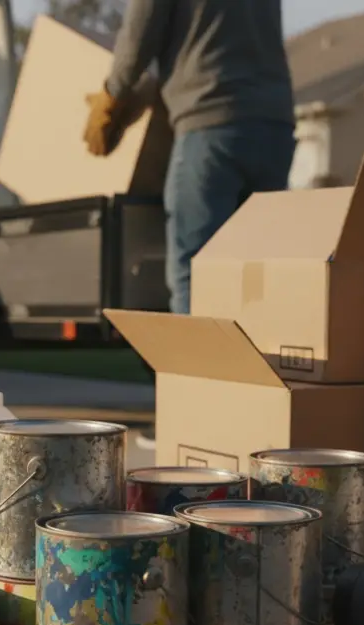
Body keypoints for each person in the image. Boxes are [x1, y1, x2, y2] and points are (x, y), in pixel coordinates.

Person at [83, 0, 296, 450]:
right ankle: (259, 421)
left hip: (210, 122)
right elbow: (214, 38)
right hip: (274, 125)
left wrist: (112, 94)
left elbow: (140, 32)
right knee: (255, 280)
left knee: (192, 273)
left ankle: (196, 417)